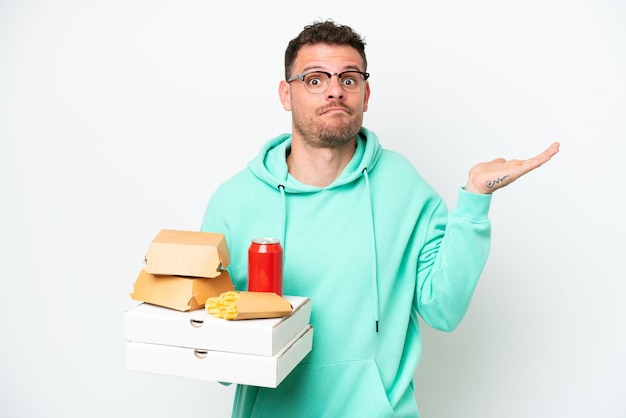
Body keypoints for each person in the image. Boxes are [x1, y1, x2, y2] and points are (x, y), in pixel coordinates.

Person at [201, 20, 559, 418]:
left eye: (349, 79)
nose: (335, 89)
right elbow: (219, 364)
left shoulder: (403, 187)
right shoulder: (235, 202)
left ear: (366, 94)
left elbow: (443, 309)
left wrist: (475, 199)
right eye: (315, 80)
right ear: (287, 94)